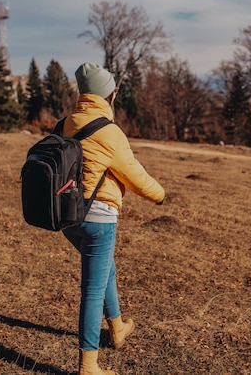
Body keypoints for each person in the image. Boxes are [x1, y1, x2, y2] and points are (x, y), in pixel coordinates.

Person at [61, 62, 165, 375]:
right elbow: (134, 175)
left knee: (106, 270)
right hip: (98, 221)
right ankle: (89, 366)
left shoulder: (65, 123)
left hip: (68, 218)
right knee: (92, 291)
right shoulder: (109, 132)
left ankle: (117, 328)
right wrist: (159, 194)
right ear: (111, 95)